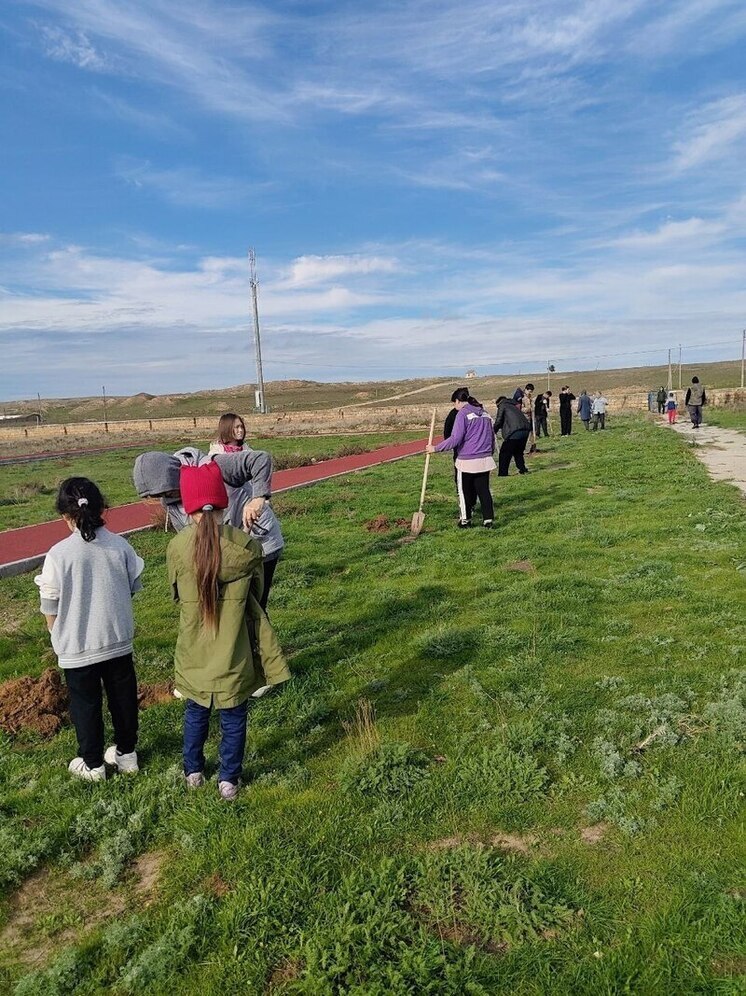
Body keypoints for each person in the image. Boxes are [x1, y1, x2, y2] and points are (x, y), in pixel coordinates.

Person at [167, 462, 290, 801]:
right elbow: (257, 593)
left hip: (194, 651)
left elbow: (176, 595)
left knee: (195, 711)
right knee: (234, 717)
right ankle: (228, 781)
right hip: (234, 652)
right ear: (224, 504)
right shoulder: (247, 547)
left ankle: (193, 771)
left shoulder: (177, 548)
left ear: (188, 508)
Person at [34, 478, 143, 781]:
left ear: (65, 516)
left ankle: (93, 764)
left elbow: (50, 606)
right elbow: (132, 585)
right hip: (117, 639)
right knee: (123, 699)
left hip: (76, 646)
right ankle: (127, 755)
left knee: (85, 704)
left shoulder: (58, 554)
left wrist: (57, 637)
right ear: (102, 508)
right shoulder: (120, 546)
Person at [133, 443, 281, 609]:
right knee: (230, 610)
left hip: (258, 542)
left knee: (253, 607)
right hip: (224, 553)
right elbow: (188, 533)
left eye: (168, 492)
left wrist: (258, 498)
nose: (167, 497)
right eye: (159, 495)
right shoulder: (169, 501)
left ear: (173, 476)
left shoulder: (215, 466)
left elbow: (260, 459)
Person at [208, 413, 285, 612]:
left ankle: (260, 640)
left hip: (261, 533)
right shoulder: (216, 459)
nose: (240, 431)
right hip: (236, 537)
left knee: (257, 603)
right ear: (225, 429)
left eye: (241, 426)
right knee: (240, 602)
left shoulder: (250, 454)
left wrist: (259, 499)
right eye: (235, 427)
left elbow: (262, 463)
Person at [426, 388, 495, 528]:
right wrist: (489, 452)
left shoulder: (462, 413)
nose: (454, 407)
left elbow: (455, 438)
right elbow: (492, 437)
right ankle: (488, 520)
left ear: (458, 401)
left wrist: (435, 448)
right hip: (485, 458)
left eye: (454, 403)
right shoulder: (485, 414)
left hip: (466, 460)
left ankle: (465, 520)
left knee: (464, 491)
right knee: (483, 490)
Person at [493, 395, 532, 476]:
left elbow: (499, 420)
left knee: (504, 453)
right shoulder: (513, 405)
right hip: (525, 430)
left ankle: (503, 474)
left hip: (515, 431)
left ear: (498, 403)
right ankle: (522, 469)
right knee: (518, 452)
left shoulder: (502, 405)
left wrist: (493, 431)